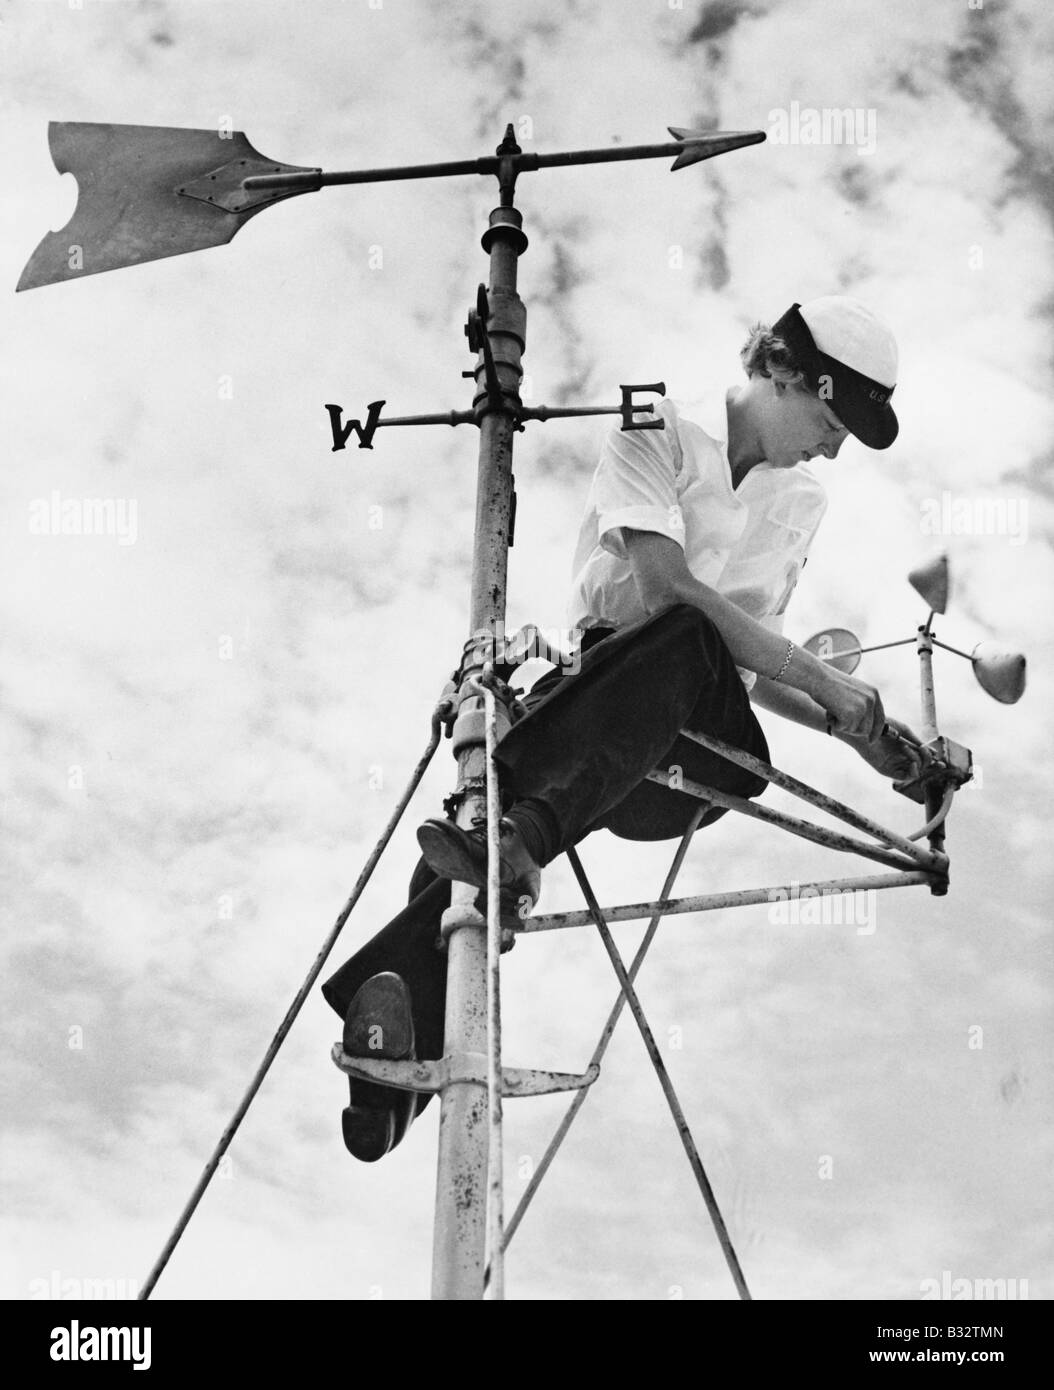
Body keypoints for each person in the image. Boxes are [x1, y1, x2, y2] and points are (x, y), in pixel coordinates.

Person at [322, 294, 922, 1161]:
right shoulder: (657, 426)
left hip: (695, 753)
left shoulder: (800, 505)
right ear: (784, 374)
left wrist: (841, 720)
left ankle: (513, 834)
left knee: (684, 650)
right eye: (832, 420)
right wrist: (823, 676)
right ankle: (389, 1077)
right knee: (465, 825)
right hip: (608, 700)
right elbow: (662, 583)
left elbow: (745, 660)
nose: (835, 446)